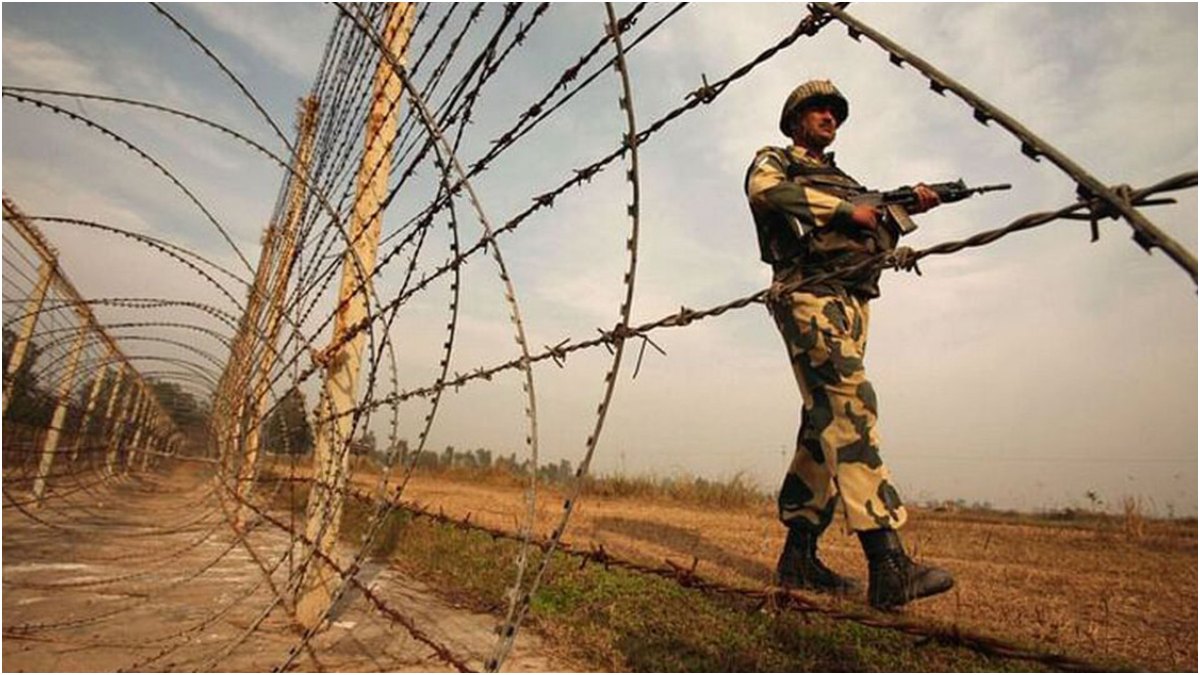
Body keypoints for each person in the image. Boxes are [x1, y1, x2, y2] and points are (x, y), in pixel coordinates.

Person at [743, 79, 954, 609]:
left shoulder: (846, 180)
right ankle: (888, 562)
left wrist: (904, 213)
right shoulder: (777, 160)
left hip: (853, 300)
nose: (827, 117)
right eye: (816, 109)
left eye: (834, 111)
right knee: (852, 407)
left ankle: (798, 556)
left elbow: (868, 238)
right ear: (794, 120)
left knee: (824, 424)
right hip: (806, 293)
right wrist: (845, 211)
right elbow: (763, 191)